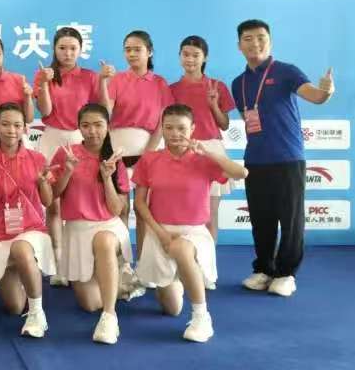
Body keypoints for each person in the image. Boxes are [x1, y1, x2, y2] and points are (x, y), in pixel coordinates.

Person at [231, 19, 334, 297]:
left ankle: (286, 273)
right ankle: (264, 269)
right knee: (260, 220)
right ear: (239, 45)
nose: (255, 43)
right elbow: (247, 119)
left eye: (261, 37)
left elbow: (314, 96)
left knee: (291, 220)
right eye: (248, 39)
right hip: (255, 160)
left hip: (288, 158)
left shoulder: (286, 71)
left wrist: (325, 91)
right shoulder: (238, 83)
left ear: (270, 41)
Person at [133, 104, 248, 342]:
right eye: (169, 128)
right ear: (162, 129)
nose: (175, 133)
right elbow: (140, 204)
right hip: (160, 232)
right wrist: (160, 234)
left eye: (181, 128)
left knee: (181, 249)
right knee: (172, 309)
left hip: (193, 233)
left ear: (192, 129)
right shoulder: (150, 159)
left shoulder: (203, 160)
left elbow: (241, 173)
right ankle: (179, 278)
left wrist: (209, 153)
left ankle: (201, 317)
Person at [50, 104, 131, 345]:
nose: (92, 131)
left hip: (108, 226)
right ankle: (119, 283)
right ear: (79, 127)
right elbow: (52, 195)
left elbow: (117, 210)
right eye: (86, 125)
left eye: (98, 125)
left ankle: (110, 317)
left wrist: (107, 178)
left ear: (108, 127)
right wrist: (67, 171)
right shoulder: (66, 153)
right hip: (76, 229)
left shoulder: (115, 160)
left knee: (103, 242)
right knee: (90, 304)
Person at [0, 102, 55, 337]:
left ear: (24, 129)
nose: (12, 130)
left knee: (22, 249)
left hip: (31, 228)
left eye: (17, 125)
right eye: (6, 124)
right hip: (0, 232)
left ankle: (37, 313)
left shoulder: (37, 158)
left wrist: (43, 183)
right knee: (14, 308)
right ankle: (26, 275)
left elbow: (48, 201)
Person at [98, 30, 173, 260]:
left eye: (137, 49)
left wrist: (149, 153)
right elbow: (106, 112)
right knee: (121, 209)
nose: (131, 54)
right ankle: (121, 262)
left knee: (143, 210)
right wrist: (103, 82)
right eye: (128, 50)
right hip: (117, 150)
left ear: (149, 52)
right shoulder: (118, 79)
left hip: (147, 151)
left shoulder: (160, 83)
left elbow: (163, 122)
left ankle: (142, 262)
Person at [34, 26, 98, 287]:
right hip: (52, 139)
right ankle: (57, 262)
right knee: (53, 202)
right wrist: (44, 83)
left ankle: (82, 258)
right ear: (54, 49)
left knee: (80, 197)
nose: (67, 53)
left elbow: (99, 112)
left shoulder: (90, 77)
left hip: (80, 139)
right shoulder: (45, 74)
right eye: (62, 48)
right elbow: (45, 111)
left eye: (73, 48)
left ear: (81, 50)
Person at [169, 36, 236, 242]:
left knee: (209, 215)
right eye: (185, 54)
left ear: (204, 58)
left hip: (211, 151)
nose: (190, 59)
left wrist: (214, 105)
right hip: (182, 151)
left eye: (195, 55)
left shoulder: (217, 86)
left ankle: (208, 260)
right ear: (179, 57)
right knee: (182, 214)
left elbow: (224, 124)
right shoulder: (171, 89)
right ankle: (185, 258)